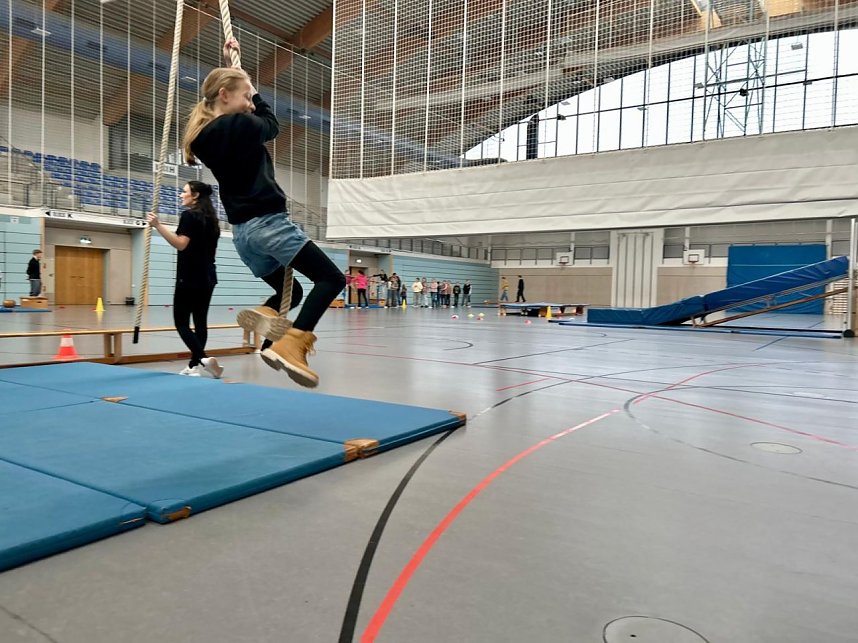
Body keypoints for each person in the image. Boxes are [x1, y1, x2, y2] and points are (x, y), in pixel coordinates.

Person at [183, 38, 344, 388]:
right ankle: (293, 344)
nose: (248, 103)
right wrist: (254, 92)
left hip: (243, 237)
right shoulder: (239, 125)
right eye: (243, 98)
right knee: (332, 279)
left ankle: (269, 328)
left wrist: (236, 70)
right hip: (269, 225)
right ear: (225, 95)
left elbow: (248, 116)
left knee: (292, 292)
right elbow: (271, 124)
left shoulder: (201, 138)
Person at [147, 181, 223, 378]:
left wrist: (158, 226)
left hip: (189, 276)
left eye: (184, 192)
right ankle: (193, 366)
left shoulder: (189, 215)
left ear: (195, 195)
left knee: (181, 322)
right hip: (208, 276)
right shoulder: (212, 220)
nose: (181, 195)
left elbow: (181, 244)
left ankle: (203, 359)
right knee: (200, 322)